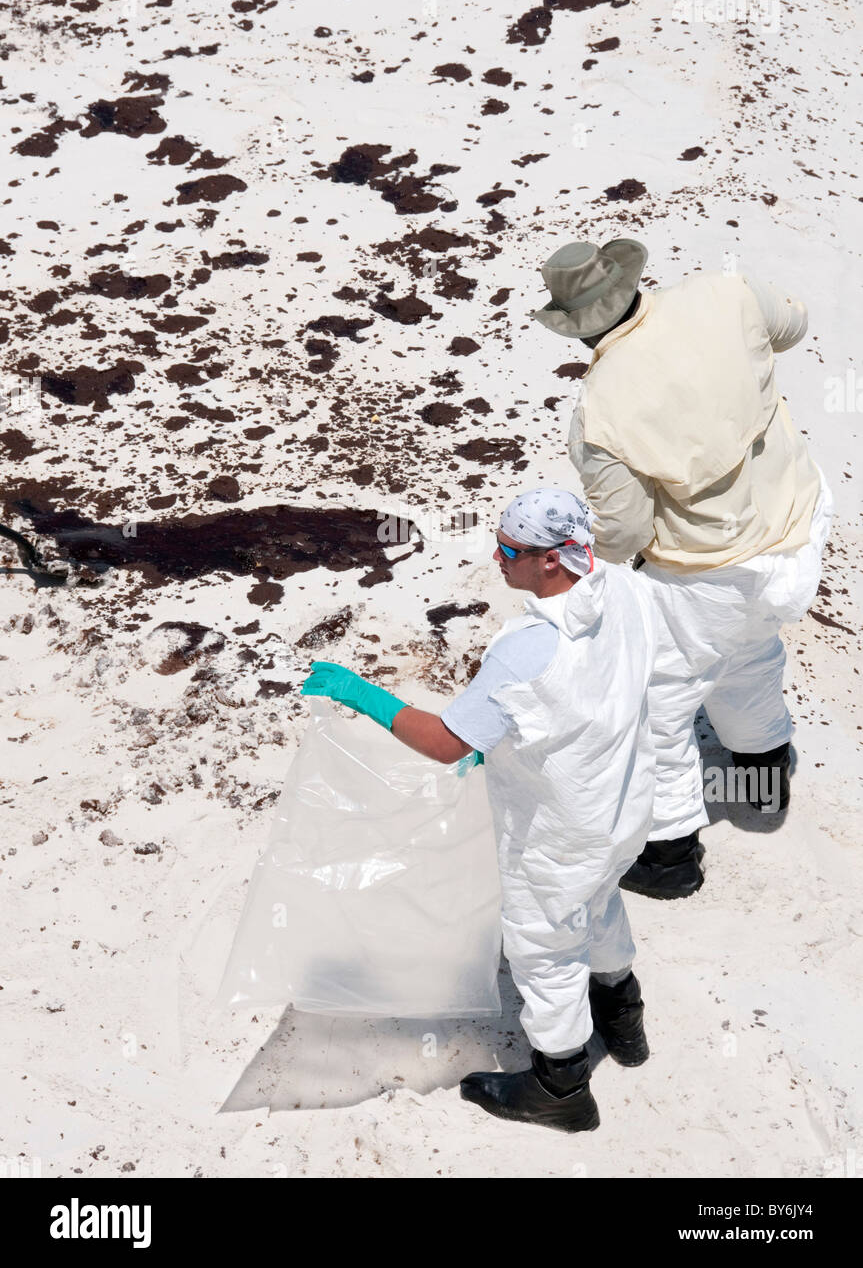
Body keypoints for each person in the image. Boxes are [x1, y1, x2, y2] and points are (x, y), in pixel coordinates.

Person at [301, 489, 659, 1133]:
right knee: (600, 902)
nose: (496, 557)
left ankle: (561, 1087)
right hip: (624, 807)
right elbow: (589, 694)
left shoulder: (527, 647)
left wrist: (360, 693)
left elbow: (445, 743)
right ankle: (624, 1022)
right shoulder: (624, 590)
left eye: (510, 550)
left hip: (560, 831)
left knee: (543, 947)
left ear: (551, 561)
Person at [533, 239, 833, 899]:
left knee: (655, 703)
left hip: (708, 571)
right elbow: (793, 324)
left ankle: (667, 855)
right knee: (749, 655)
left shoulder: (599, 409)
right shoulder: (723, 293)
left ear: (576, 325)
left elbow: (627, 529)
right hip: (795, 531)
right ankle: (760, 771)